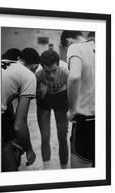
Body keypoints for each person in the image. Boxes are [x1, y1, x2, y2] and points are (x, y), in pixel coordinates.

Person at [1, 47, 40, 172]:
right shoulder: (28, 75)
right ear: (35, 66)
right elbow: (19, 124)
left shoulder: (4, 64)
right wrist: (29, 150)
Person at [61, 31, 95, 168]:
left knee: (81, 175)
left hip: (86, 121)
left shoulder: (75, 47)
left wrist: (72, 110)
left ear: (68, 42)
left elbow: (74, 77)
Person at [36, 50, 69, 169]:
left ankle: (63, 170)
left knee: (62, 136)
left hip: (61, 98)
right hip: (45, 100)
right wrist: (39, 92)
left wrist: (72, 110)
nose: (51, 76)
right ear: (42, 68)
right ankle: (47, 170)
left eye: (54, 71)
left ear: (58, 65)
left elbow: (74, 94)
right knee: (45, 137)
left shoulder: (66, 71)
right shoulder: (38, 74)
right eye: (47, 72)